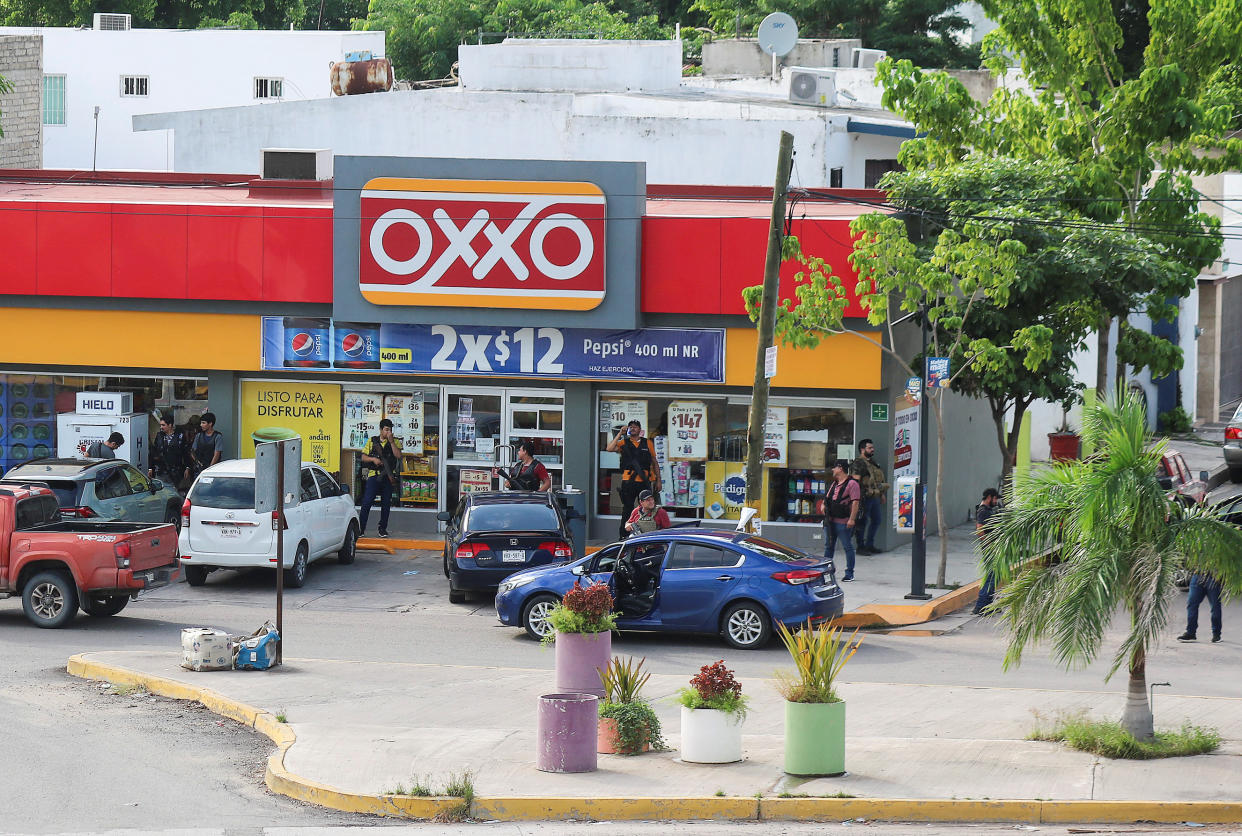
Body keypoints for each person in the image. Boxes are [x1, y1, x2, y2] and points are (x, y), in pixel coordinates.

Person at [606, 419, 662, 539]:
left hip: (644, 481)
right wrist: (620, 433)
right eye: (631, 427)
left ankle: (646, 533)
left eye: (635, 427)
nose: (632, 428)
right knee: (627, 509)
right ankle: (624, 535)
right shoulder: (624, 443)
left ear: (640, 430)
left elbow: (655, 462)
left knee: (647, 508)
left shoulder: (647, 443)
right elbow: (609, 448)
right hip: (628, 482)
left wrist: (658, 480)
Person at [359, 418, 401, 538]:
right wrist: (373, 459)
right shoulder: (372, 441)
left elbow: (398, 456)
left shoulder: (395, 441)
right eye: (386, 430)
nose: (389, 432)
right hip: (374, 475)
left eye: (390, 430)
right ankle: (361, 529)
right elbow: (363, 457)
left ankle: (382, 528)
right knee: (367, 502)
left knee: (386, 503)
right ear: (381, 430)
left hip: (388, 476)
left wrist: (392, 442)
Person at [850, 438, 890, 555]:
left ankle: (869, 545)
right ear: (862, 449)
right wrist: (857, 499)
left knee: (876, 520)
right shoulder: (858, 463)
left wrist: (881, 494)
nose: (872, 450)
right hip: (864, 497)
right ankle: (860, 547)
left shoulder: (872, 462)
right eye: (869, 448)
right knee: (862, 522)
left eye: (872, 448)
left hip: (874, 496)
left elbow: (878, 479)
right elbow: (855, 482)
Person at [823, 459, 860, 581]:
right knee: (829, 547)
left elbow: (855, 503)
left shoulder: (852, 484)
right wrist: (823, 506)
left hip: (843, 522)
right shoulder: (834, 483)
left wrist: (852, 519)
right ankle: (826, 572)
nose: (833, 470)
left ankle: (849, 573)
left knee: (847, 547)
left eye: (834, 467)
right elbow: (827, 498)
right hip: (831, 521)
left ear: (840, 468)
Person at [973, 487, 1003, 614]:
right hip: (989, 549)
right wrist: (990, 544)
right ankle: (981, 606)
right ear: (989, 497)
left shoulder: (988, 510)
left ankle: (988, 605)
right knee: (992, 576)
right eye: (995, 498)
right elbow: (980, 530)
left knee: (994, 576)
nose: (996, 501)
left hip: (992, 548)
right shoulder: (983, 511)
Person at [149, 412, 190, 491]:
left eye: (163, 425)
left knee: (175, 491)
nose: (161, 427)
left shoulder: (179, 436)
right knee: (161, 490)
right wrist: (151, 468)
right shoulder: (159, 436)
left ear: (170, 425)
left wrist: (187, 468)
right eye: (160, 425)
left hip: (176, 470)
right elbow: (153, 452)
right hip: (161, 470)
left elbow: (185, 453)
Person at [1178, 572, 1222, 643]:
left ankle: (1216, 634)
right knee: (1191, 604)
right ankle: (1190, 633)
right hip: (1197, 574)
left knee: (1215, 606)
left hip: (1213, 575)